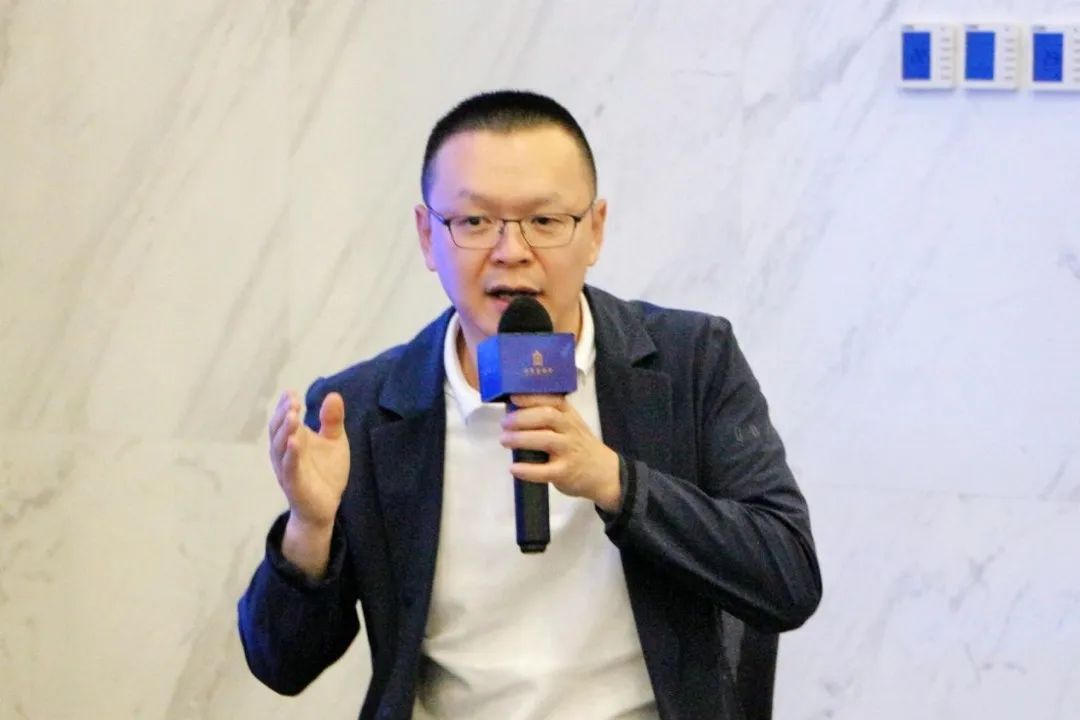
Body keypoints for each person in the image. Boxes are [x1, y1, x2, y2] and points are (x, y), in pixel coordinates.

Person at [238, 90, 822, 720]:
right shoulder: (359, 410)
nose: (511, 250)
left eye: (544, 221)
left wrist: (616, 481)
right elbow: (281, 664)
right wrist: (311, 530)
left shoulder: (692, 362)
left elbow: (787, 579)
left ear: (594, 230)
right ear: (428, 236)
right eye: (474, 221)